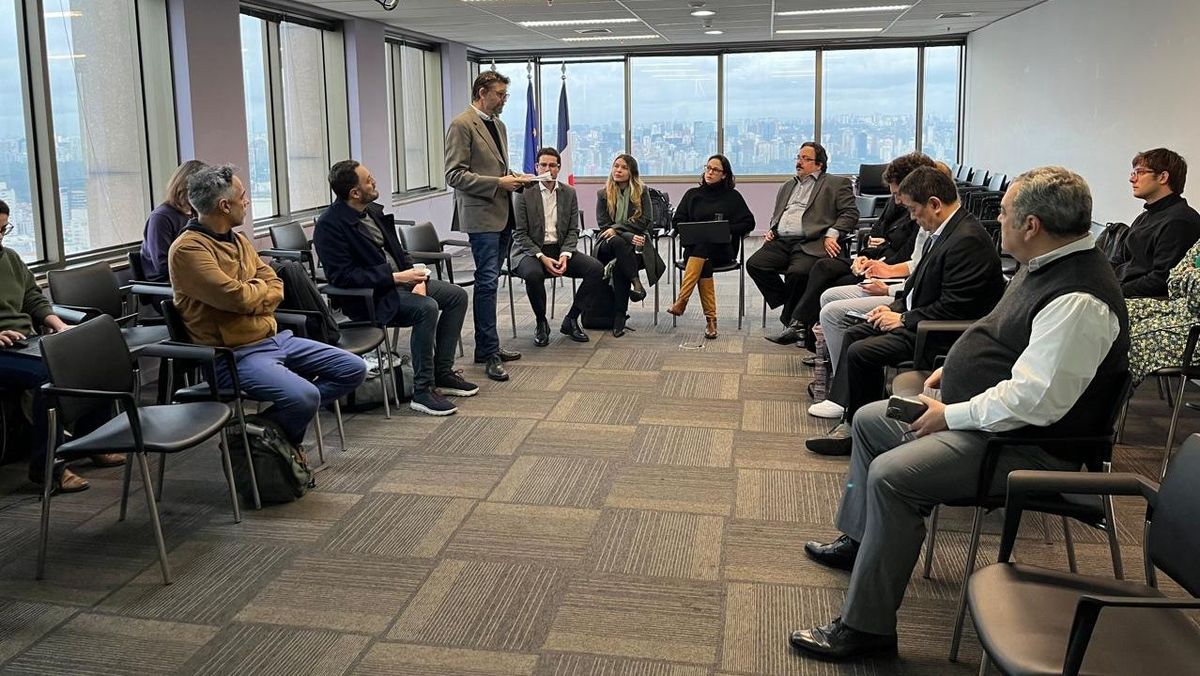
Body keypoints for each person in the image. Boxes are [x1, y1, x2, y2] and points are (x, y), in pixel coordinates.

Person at [791, 166, 1130, 660]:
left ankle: (866, 628)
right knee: (869, 421)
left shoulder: (1079, 299)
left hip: (1025, 447)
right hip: (987, 421)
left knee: (891, 476)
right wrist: (953, 365)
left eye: (1005, 213)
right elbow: (1001, 335)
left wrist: (951, 414)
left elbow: (1035, 402)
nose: (998, 221)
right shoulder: (1044, 264)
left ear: (1032, 224)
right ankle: (861, 540)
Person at [805, 166, 1005, 455]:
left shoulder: (967, 240)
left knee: (862, 351)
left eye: (913, 210)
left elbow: (954, 307)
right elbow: (917, 283)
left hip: (939, 333)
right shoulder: (947, 231)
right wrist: (895, 307)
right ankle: (852, 419)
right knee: (855, 333)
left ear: (934, 204)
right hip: (922, 318)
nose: (912, 217)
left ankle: (856, 432)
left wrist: (902, 318)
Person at [168, 165, 366, 448]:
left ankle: (262, 432)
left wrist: (255, 295)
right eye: (243, 196)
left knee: (353, 368)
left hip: (272, 339)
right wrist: (259, 294)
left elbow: (276, 284)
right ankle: (280, 443)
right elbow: (237, 298)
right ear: (224, 206)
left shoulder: (238, 240)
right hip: (233, 356)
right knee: (305, 397)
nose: (247, 201)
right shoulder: (188, 250)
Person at [314, 160, 476, 416]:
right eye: (368, 180)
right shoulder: (329, 225)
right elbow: (343, 277)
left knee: (456, 296)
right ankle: (423, 390)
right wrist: (396, 278)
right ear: (354, 192)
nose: (374, 182)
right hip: (370, 298)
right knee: (426, 308)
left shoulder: (372, 211)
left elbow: (400, 253)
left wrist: (417, 280)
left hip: (399, 283)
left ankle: (442, 373)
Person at [0, 200, 121, 493]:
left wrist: (59, 325)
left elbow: (33, 297)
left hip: (22, 339)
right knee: (49, 375)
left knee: (91, 355)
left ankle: (93, 442)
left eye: (3, 230)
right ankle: (47, 468)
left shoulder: (10, 258)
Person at [769, 153, 934, 350]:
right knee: (823, 267)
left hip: (889, 269)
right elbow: (876, 230)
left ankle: (811, 339)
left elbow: (907, 257)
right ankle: (800, 326)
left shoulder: (920, 218)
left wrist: (879, 262)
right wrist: (864, 256)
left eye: (898, 194)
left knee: (831, 283)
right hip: (876, 260)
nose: (897, 200)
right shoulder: (897, 203)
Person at [444, 70, 532, 382]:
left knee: (491, 283)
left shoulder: (499, 125)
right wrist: (498, 183)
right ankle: (489, 352)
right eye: (500, 94)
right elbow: (454, 175)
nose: (504, 100)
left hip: (503, 212)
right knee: (487, 283)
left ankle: (486, 346)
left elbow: (496, 168)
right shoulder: (461, 124)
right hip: (481, 217)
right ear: (482, 92)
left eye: (506, 95)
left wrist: (515, 179)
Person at [749, 141, 858, 337]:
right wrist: (773, 228)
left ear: (819, 165)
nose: (799, 162)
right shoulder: (788, 185)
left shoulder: (836, 184)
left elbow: (850, 214)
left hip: (812, 241)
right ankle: (794, 305)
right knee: (755, 264)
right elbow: (779, 213)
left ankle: (791, 321)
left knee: (798, 273)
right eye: (798, 157)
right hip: (782, 241)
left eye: (806, 159)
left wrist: (833, 233)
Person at [512, 147, 604, 346]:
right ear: (536, 167)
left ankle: (571, 319)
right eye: (543, 165)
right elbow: (519, 234)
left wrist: (565, 254)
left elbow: (573, 230)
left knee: (596, 269)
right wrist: (542, 257)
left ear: (559, 168)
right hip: (530, 251)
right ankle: (541, 322)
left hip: (560, 249)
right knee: (533, 274)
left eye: (552, 165)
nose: (548, 169)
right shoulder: (524, 193)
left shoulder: (568, 192)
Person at [666, 154, 755, 339]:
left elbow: (749, 223)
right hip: (695, 251)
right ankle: (711, 321)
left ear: (724, 174)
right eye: (708, 168)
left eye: (715, 170)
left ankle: (682, 301)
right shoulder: (692, 194)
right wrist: (692, 230)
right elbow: (677, 221)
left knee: (703, 249)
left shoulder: (732, 197)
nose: (710, 172)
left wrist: (725, 229)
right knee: (703, 255)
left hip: (723, 251)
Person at [1111, 147, 1200, 298]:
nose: (1132, 179)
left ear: (1163, 177)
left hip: (1143, 299)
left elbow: (1161, 280)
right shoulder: (1144, 217)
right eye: (1133, 173)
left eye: (1140, 172)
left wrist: (1114, 292)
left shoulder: (1180, 221)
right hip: (1120, 289)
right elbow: (1120, 259)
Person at [595, 154, 663, 337]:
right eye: (616, 166)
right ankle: (636, 283)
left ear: (632, 172)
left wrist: (617, 230)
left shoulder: (642, 191)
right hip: (607, 244)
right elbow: (604, 226)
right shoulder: (603, 194)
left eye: (624, 167)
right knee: (617, 242)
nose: (618, 170)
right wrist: (627, 235)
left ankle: (619, 316)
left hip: (635, 248)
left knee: (620, 266)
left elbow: (646, 221)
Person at [1127, 237, 1200, 384]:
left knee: (1133, 340)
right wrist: (1192, 279)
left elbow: (1196, 300)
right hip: (1180, 309)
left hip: (1195, 330)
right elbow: (1173, 283)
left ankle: (1107, 396)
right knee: (1120, 311)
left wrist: (1190, 275)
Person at [139, 160, 208, 282]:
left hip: (191, 276)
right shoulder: (161, 217)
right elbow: (163, 266)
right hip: (165, 284)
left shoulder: (196, 213)